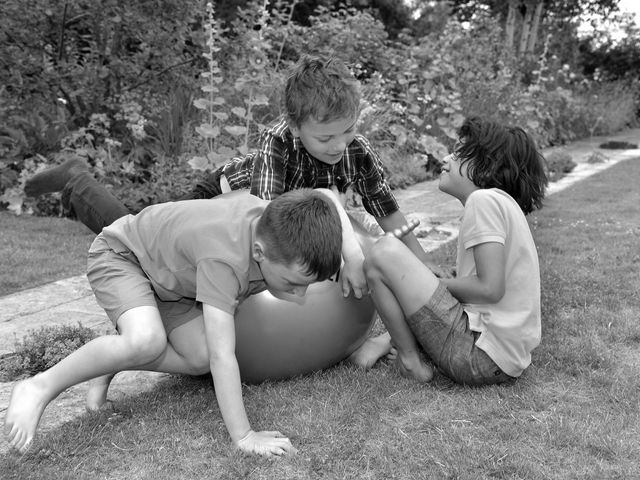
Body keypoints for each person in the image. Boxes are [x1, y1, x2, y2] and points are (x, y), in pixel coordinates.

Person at [25, 54, 439, 366]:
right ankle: (78, 180)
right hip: (220, 204)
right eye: (326, 136)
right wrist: (348, 248)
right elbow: (268, 217)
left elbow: (388, 211)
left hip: (282, 222)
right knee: (134, 235)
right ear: (296, 128)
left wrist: (430, 280)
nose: (339, 144)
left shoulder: (357, 152)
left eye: (348, 131)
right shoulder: (278, 142)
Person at [4, 188, 348, 456]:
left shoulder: (276, 227)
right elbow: (222, 355)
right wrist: (244, 436)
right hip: (123, 256)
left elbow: (323, 199)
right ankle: (39, 387)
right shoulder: (223, 259)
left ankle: (115, 356)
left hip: (174, 285)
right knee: (148, 342)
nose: (300, 296)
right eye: (293, 284)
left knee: (196, 358)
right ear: (259, 253)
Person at [363, 117, 548, 385]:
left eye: (459, 153)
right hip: (499, 359)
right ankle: (390, 343)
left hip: (479, 355)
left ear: (486, 167)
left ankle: (409, 361)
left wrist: (433, 284)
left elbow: (490, 289)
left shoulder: (483, 200)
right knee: (404, 266)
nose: (447, 158)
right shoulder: (501, 204)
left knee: (382, 253)